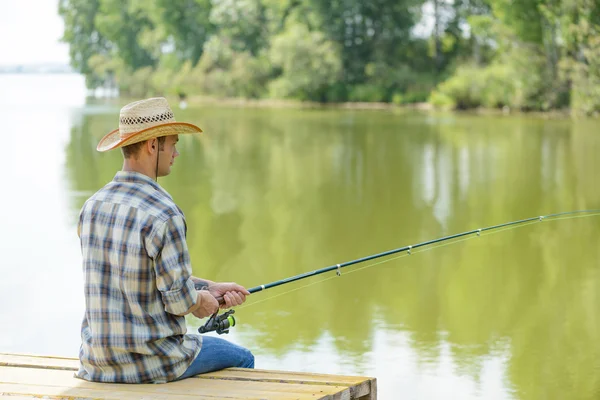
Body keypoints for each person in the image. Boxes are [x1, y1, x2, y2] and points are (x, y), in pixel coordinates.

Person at [75, 97, 254, 384]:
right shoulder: (164, 213)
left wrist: (210, 287)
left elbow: (144, 275)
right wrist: (204, 303)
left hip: (96, 362)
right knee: (244, 357)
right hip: (154, 362)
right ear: (152, 145)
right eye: (173, 143)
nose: (176, 153)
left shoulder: (92, 207)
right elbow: (179, 301)